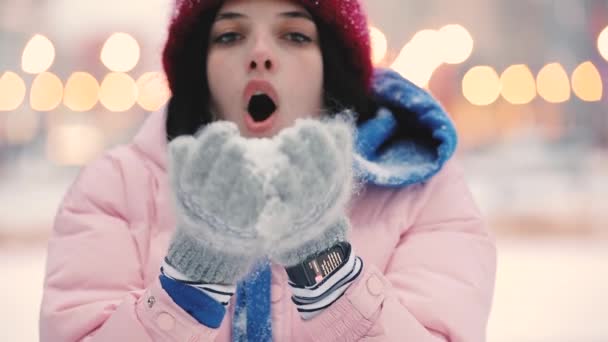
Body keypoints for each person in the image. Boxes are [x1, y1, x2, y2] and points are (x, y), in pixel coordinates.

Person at [39, 0, 497, 341]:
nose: (260, 54)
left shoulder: (422, 190)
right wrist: (194, 277)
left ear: (330, 66)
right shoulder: (114, 189)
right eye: (230, 36)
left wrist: (328, 271)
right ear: (200, 66)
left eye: (295, 35)